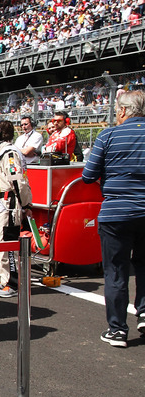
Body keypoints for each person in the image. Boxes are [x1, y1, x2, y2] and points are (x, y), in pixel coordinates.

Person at [82, 90, 145, 348]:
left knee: (116, 271)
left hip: (116, 211)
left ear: (121, 111)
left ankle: (118, 329)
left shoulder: (108, 135)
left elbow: (88, 175)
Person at [0, 120, 32, 299]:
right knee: (2, 245)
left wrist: (26, 204)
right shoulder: (3, 152)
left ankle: (13, 283)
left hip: (10, 206)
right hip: (2, 205)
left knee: (8, 246)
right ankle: (5, 278)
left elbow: (18, 182)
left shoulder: (9, 153)